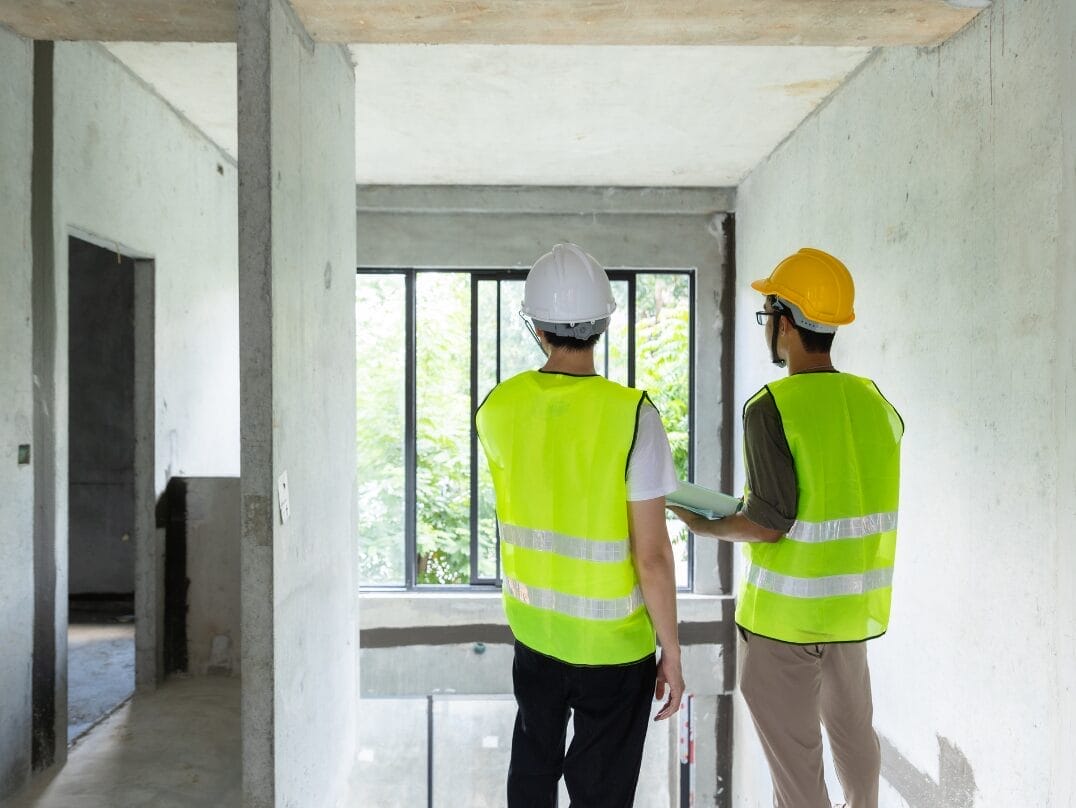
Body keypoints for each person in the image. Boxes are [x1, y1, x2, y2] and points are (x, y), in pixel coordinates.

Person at [668, 247, 903, 808]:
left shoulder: (771, 406)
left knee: (798, 779)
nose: (766, 328)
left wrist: (708, 525)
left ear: (786, 321)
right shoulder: (875, 403)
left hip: (782, 627)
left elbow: (769, 523)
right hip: (852, 613)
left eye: (767, 314)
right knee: (856, 744)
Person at [475, 243, 685, 808]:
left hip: (536, 633)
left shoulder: (497, 407)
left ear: (534, 326)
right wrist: (672, 651)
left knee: (533, 768)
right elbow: (653, 555)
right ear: (604, 322)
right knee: (601, 792)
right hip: (615, 650)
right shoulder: (634, 416)